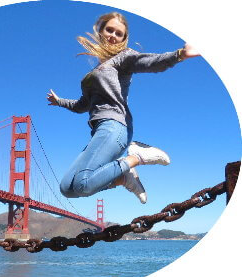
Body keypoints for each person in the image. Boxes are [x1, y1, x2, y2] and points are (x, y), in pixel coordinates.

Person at [47, 12, 200, 204]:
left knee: (82, 185)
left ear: (124, 39)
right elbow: (82, 105)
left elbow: (148, 62)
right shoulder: (93, 74)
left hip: (115, 126)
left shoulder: (123, 58)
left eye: (118, 33)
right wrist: (59, 101)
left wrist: (179, 55)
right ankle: (123, 177)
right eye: (109, 30)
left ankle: (136, 157)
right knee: (67, 188)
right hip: (99, 131)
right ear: (101, 31)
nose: (112, 35)